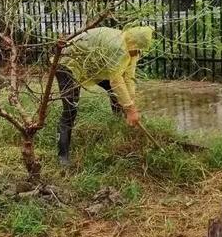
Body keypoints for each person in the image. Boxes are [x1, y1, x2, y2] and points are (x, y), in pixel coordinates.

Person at [55, 26, 154, 165]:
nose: (137, 53)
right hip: (68, 63)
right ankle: (63, 156)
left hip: (93, 64)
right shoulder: (117, 48)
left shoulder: (133, 51)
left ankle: (118, 131)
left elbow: (128, 77)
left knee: (118, 96)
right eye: (136, 49)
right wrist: (130, 109)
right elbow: (116, 80)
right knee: (70, 109)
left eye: (139, 50)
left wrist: (131, 102)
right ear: (131, 43)